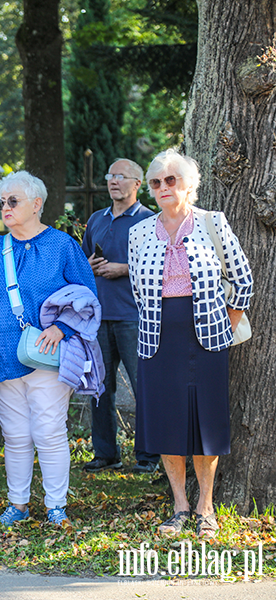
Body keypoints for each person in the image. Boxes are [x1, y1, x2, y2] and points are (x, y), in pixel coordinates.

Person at [0, 171, 97, 528]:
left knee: (48, 431)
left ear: (37, 204)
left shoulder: (62, 245)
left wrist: (61, 328)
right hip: (2, 356)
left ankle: (56, 506)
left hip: (46, 356)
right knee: (14, 436)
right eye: (2, 202)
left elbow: (87, 298)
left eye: (13, 201)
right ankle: (18, 504)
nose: (6, 208)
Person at [127, 149, 252, 538]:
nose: (163, 187)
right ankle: (180, 505)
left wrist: (225, 326)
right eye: (155, 182)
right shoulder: (139, 232)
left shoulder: (212, 223)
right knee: (166, 421)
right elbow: (136, 288)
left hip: (207, 337)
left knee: (206, 423)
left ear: (188, 185)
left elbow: (243, 279)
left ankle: (205, 507)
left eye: (170, 180)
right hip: (157, 336)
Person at [81, 159, 158, 475]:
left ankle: (149, 456)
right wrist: (90, 264)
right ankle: (106, 454)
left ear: (137, 183)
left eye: (120, 176)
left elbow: (161, 268)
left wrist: (124, 268)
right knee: (98, 387)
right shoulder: (96, 220)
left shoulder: (150, 221)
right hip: (98, 317)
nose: (113, 181)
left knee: (145, 387)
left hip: (134, 315)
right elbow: (83, 265)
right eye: (109, 175)